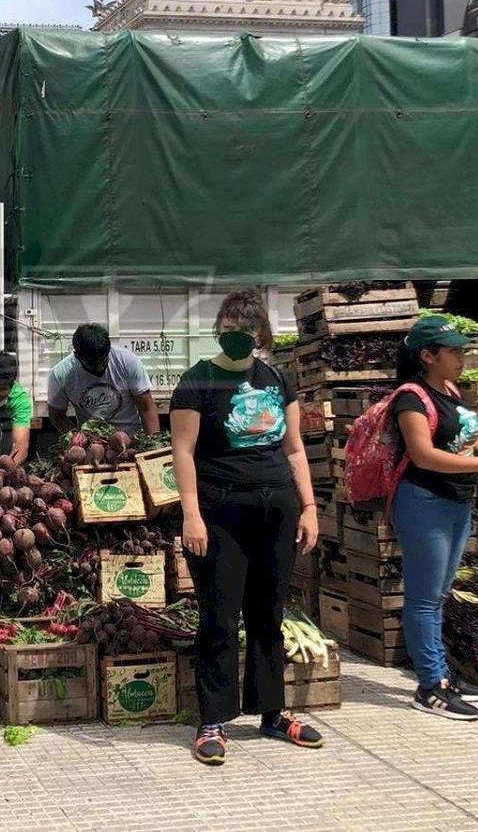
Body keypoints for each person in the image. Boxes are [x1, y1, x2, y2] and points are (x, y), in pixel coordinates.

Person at [170, 289, 322, 767]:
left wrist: (310, 506)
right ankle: (213, 719)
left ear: (261, 336)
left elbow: (295, 448)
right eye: (232, 330)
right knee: (219, 615)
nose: (241, 339)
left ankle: (273, 712)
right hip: (220, 513)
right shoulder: (197, 381)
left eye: (250, 332)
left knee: (268, 614)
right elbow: (183, 452)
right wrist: (191, 514)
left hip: (276, 509)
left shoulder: (278, 379)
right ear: (221, 330)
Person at [389, 315, 478, 722]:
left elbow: (470, 435)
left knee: (440, 595)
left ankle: (441, 674)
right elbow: (423, 454)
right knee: (424, 599)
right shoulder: (410, 397)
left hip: (456, 503)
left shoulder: (449, 389)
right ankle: (430, 687)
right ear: (428, 356)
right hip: (423, 502)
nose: (463, 358)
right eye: (455, 352)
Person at [47, 324, 160, 435]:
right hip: (94, 440)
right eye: (93, 364)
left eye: (104, 361)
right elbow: (57, 416)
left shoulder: (128, 362)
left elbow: (146, 407)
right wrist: (78, 438)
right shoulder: (61, 374)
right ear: (77, 356)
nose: (100, 368)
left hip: (131, 436)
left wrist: (152, 443)